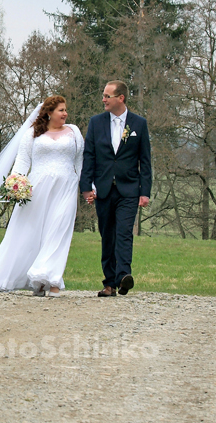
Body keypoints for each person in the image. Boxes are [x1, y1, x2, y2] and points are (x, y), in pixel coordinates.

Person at [0, 95, 84, 297]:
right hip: (37, 190)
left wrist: (88, 186)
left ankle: (51, 279)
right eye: (61, 110)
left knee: (58, 231)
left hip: (66, 188)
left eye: (65, 110)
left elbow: (81, 162)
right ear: (49, 113)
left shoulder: (74, 132)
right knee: (29, 232)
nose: (65, 113)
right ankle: (29, 280)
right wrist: (15, 185)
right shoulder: (32, 134)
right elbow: (22, 162)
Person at [80, 80, 151, 297]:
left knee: (124, 233)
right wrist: (86, 187)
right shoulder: (96, 123)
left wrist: (145, 191)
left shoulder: (139, 124)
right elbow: (89, 155)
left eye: (107, 96)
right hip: (103, 189)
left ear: (120, 98)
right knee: (107, 235)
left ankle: (123, 277)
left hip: (129, 189)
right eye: (103, 95)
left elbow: (145, 160)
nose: (103, 99)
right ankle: (109, 283)